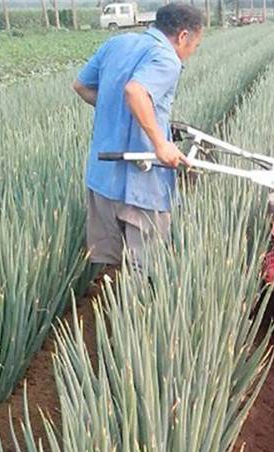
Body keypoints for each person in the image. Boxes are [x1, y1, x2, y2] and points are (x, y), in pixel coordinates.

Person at [72, 3, 203, 274]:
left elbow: (81, 86)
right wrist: (161, 143)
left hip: (103, 178)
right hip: (141, 184)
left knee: (109, 267)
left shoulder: (117, 43)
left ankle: (109, 313)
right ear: (183, 36)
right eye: (195, 45)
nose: (191, 52)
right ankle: (136, 314)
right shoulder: (167, 58)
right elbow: (135, 92)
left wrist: (117, 109)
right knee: (143, 272)